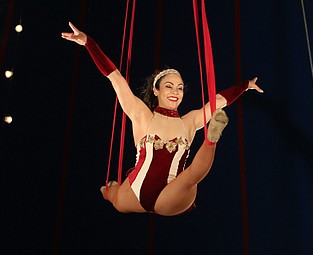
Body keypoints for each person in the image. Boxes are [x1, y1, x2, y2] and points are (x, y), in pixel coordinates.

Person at [61, 22, 263, 216]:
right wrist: (88, 42)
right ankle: (109, 190)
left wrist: (246, 85)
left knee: (191, 177)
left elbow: (219, 100)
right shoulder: (142, 115)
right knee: (112, 196)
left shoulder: (189, 121)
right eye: (169, 86)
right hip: (134, 194)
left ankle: (211, 138)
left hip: (171, 198)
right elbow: (115, 77)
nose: (176, 91)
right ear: (156, 90)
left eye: (180, 87)